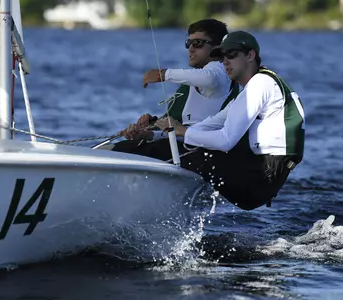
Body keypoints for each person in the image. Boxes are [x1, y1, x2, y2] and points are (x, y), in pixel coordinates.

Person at [153, 31, 305, 211]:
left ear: (250, 55)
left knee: (188, 152)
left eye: (231, 55)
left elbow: (225, 141)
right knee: (182, 146)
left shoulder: (260, 85)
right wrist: (155, 133)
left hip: (262, 177)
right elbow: (209, 124)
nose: (225, 62)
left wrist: (183, 132)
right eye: (222, 57)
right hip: (264, 172)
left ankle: (154, 200)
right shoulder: (255, 88)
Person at [106, 19, 240, 160]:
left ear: (217, 47)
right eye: (188, 43)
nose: (191, 48)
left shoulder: (219, 71)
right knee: (123, 147)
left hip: (198, 153)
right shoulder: (202, 77)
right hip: (184, 146)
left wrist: (164, 74)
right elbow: (181, 131)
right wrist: (148, 134)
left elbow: (209, 78)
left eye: (198, 43)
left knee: (126, 151)